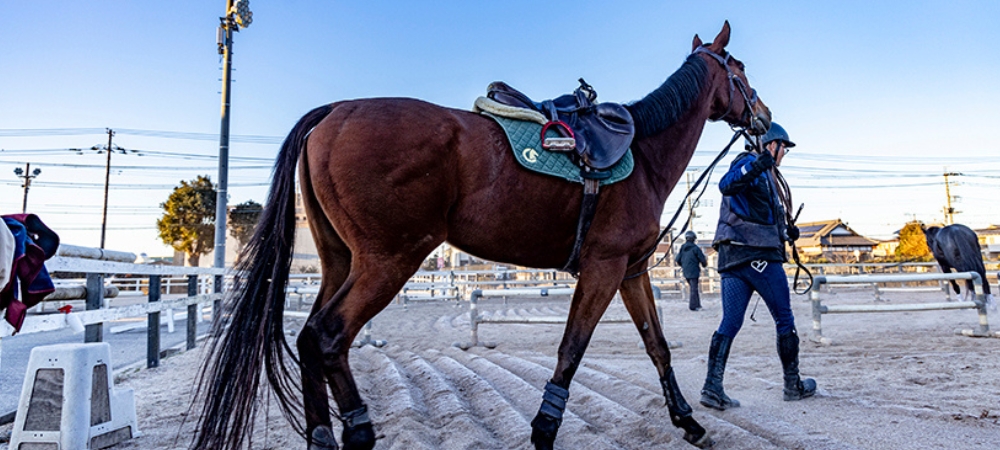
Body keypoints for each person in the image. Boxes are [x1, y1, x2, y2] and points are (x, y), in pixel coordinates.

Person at [700, 122, 816, 411]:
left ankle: (712, 388)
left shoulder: (765, 176)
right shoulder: (751, 164)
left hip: (732, 258)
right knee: (785, 319)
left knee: (731, 321)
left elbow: (758, 213)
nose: (783, 155)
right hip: (758, 257)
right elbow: (726, 185)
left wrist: (787, 233)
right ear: (771, 145)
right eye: (783, 149)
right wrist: (758, 163)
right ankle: (793, 385)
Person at [675, 230, 707, 311]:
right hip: (694, 271)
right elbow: (702, 259)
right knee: (694, 288)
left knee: (693, 288)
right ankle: (693, 306)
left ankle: (697, 304)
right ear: (693, 238)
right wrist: (704, 265)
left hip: (686, 271)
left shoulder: (682, 248)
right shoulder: (695, 248)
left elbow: (677, 259)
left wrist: (684, 265)